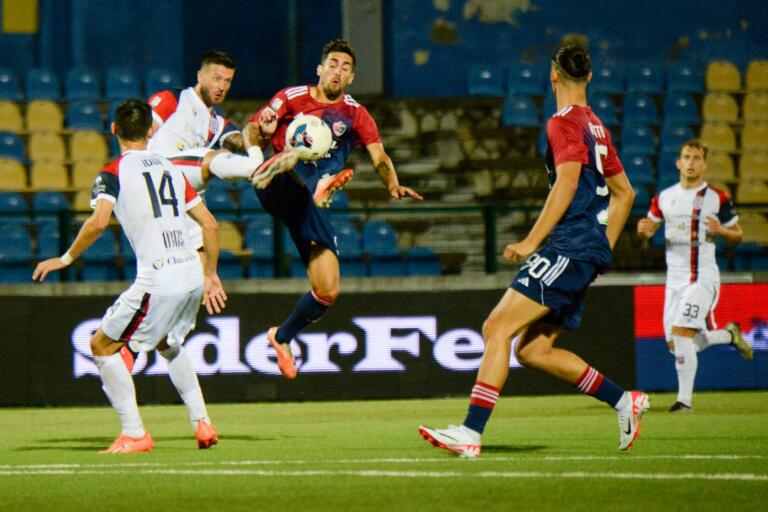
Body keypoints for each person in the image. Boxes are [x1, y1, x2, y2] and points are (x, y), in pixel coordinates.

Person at [418, 44, 646, 458]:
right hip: (585, 248)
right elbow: (625, 194)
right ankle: (622, 400)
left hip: (569, 246)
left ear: (553, 75)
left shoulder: (562, 122)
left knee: (496, 328)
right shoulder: (596, 126)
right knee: (532, 350)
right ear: (589, 77)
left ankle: (470, 432)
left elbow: (567, 182)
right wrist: (603, 249)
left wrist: (530, 241)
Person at [33, 100, 228, 453]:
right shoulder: (172, 170)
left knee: (101, 346)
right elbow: (211, 225)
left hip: (160, 277)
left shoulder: (112, 172)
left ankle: (134, 433)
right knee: (168, 343)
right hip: (191, 272)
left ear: (114, 130)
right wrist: (210, 273)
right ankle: (202, 422)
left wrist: (65, 258)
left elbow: (99, 222)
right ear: (151, 130)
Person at [246, 38, 423, 379]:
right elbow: (255, 129)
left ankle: (281, 338)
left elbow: (379, 156)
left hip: (311, 206)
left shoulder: (356, 114)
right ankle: (291, 164)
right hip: (279, 186)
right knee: (298, 171)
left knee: (328, 290)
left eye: (345, 68)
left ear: (351, 77)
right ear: (320, 69)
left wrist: (392, 184)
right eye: (332, 64)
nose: (337, 71)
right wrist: (262, 135)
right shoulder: (291, 97)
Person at [637, 139, 752, 413]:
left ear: (704, 165)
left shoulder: (716, 197)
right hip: (674, 281)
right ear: (678, 163)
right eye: (686, 157)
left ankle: (684, 402)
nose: (691, 162)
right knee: (675, 344)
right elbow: (648, 228)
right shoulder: (664, 197)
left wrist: (721, 231)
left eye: (696, 158)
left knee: (681, 335)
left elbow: (738, 235)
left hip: (702, 277)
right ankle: (728, 335)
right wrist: (643, 231)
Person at [147, 51, 294, 250]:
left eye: (228, 81)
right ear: (200, 75)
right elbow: (142, 133)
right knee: (216, 157)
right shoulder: (174, 98)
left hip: (185, 192)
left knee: (201, 252)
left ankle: (259, 169)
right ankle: (256, 168)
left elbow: (244, 142)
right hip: (158, 174)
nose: (222, 87)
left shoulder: (217, 123)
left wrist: (264, 133)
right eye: (217, 78)